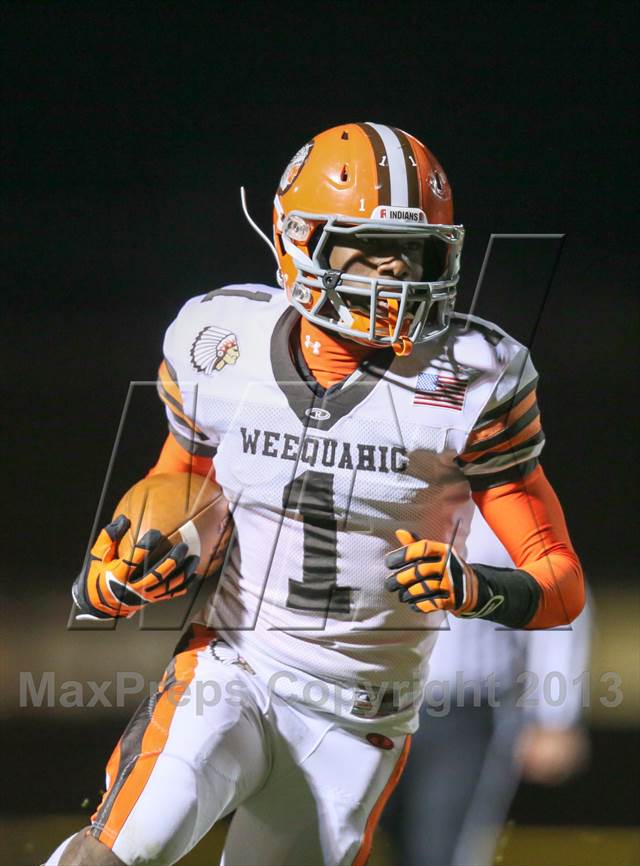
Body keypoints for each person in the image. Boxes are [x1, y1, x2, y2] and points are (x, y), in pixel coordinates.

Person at [45, 123, 585, 866]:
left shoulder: (472, 376)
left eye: (417, 252)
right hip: (230, 671)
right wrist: (114, 574)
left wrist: (475, 590)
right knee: (115, 853)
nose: (395, 271)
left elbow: (559, 584)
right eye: (366, 247)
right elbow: (182, 485)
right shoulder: (221, 342)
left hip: (361, 719)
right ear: (298, 240)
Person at [383, 506, 591, 866]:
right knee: (352, 843)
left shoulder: (504, 514)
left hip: (464, 711)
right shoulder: (381, 492)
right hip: (365, 703)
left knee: (442, 850)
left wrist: (555, 716)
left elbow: (559, 606)